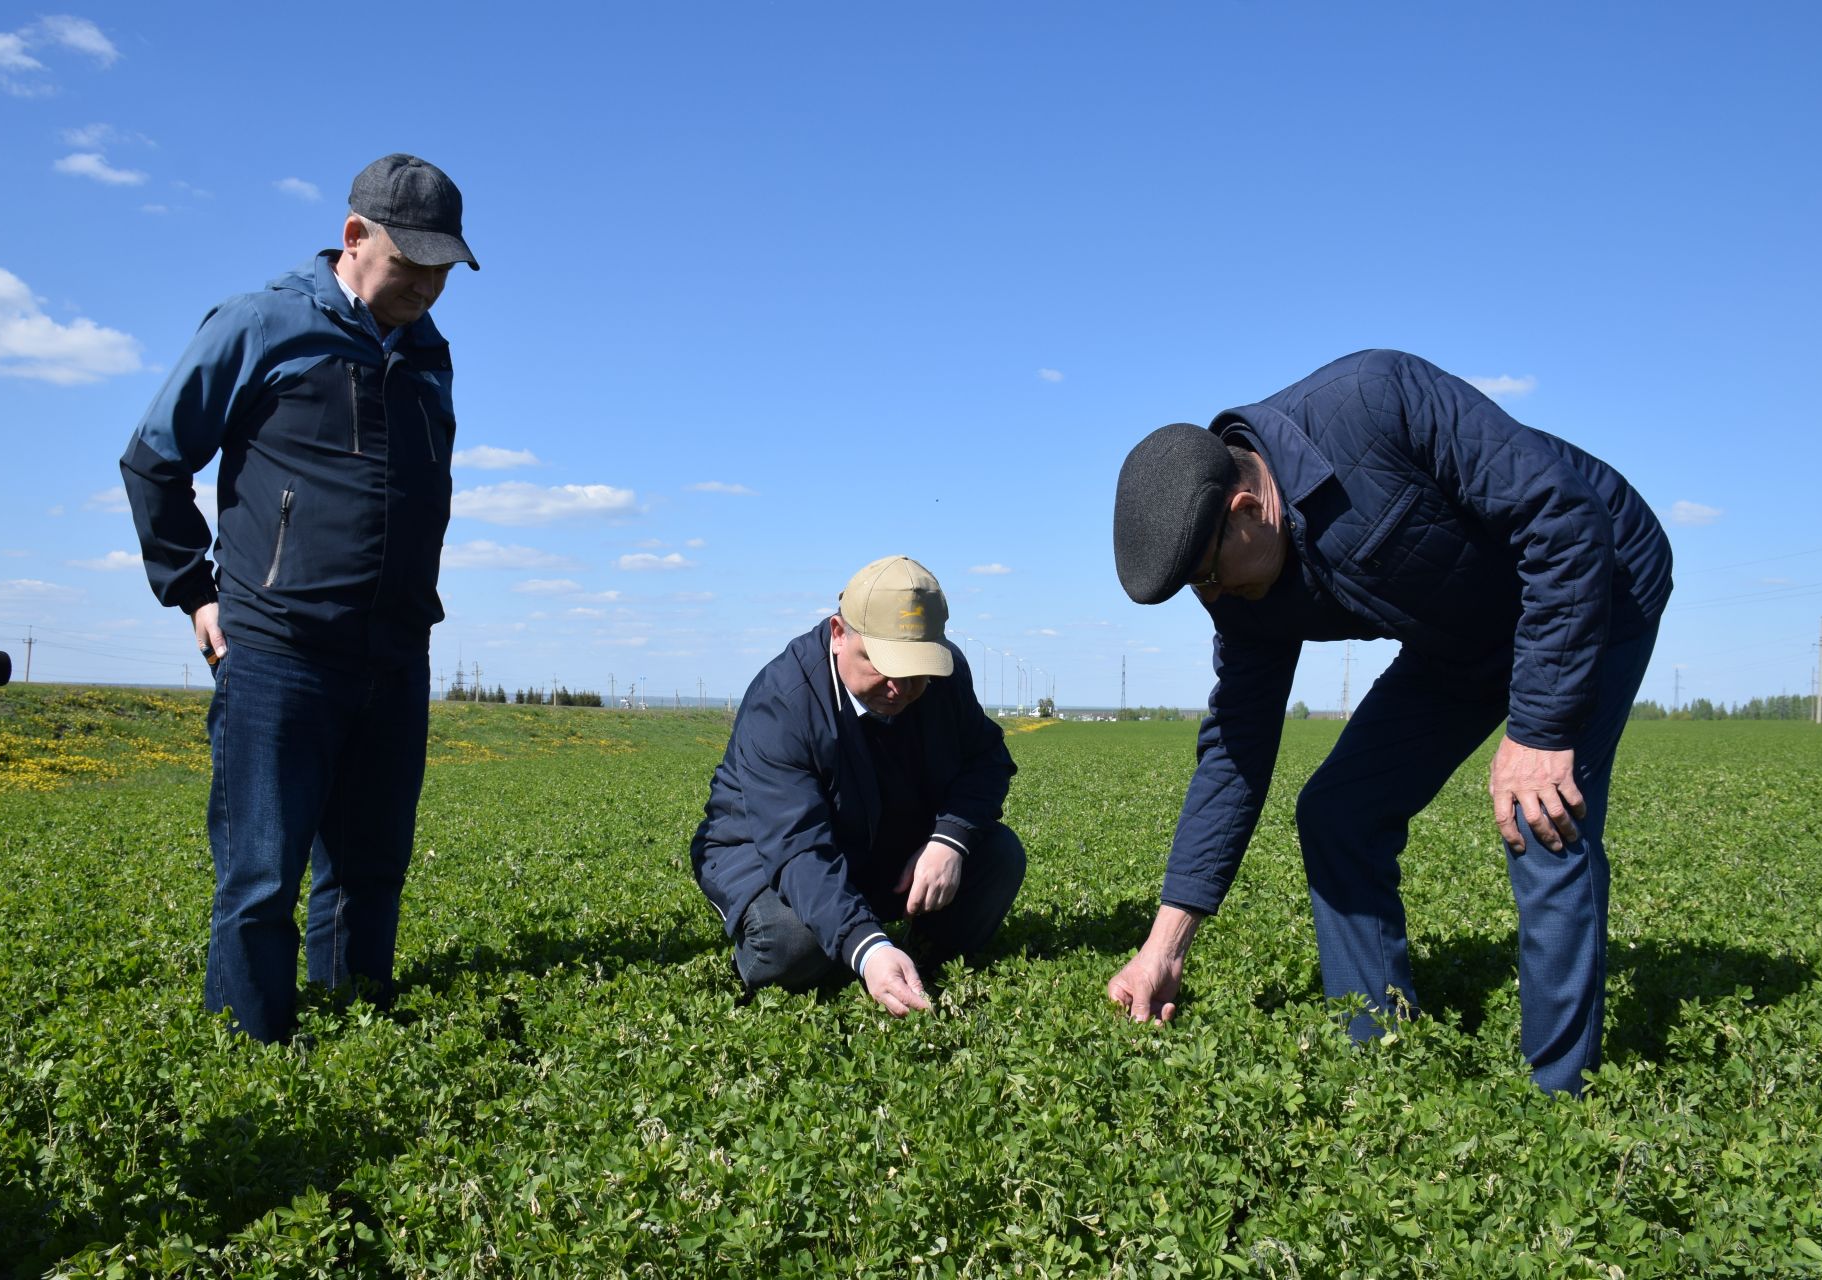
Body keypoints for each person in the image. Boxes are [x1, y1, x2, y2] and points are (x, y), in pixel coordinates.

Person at [1105, 349, 1672, 1094]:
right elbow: (1235, 754)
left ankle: (1558, 1102)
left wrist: (1538, 731)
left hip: (1594, 578)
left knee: (1543, 816)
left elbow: (1561, 522)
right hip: (1460, 632)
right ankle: (1379, 1057)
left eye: (1206, 576)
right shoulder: (1246, 597)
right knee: (1339, 813)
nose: (1209, 600)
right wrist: (1166, 947)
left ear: (1248, 509)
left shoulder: (1374, 404)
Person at [120, 154, 479, 1043]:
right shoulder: (263, 325)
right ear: (355, 237)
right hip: (279, 647)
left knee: (372, 869)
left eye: (444, 267)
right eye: (413, 262)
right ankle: (252, 1058)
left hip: (394, 653)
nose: (431, 284)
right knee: (261, 876)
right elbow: (155, 459)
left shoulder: (429, 354)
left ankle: (355, 1035)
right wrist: (194, 593)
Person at [691, 556, 1026, 1015]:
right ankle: (844, 950)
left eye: (915, 668)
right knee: (794, 944)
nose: (899, 685)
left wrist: (948, 840)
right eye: (880, 662)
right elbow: (798, 849)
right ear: (838, 634)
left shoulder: (944, 677)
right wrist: (867, 948)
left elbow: (987, 760)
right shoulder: (783, 702)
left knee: (998, 857)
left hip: (877, 838)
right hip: (763, 848)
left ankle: (914, 955)